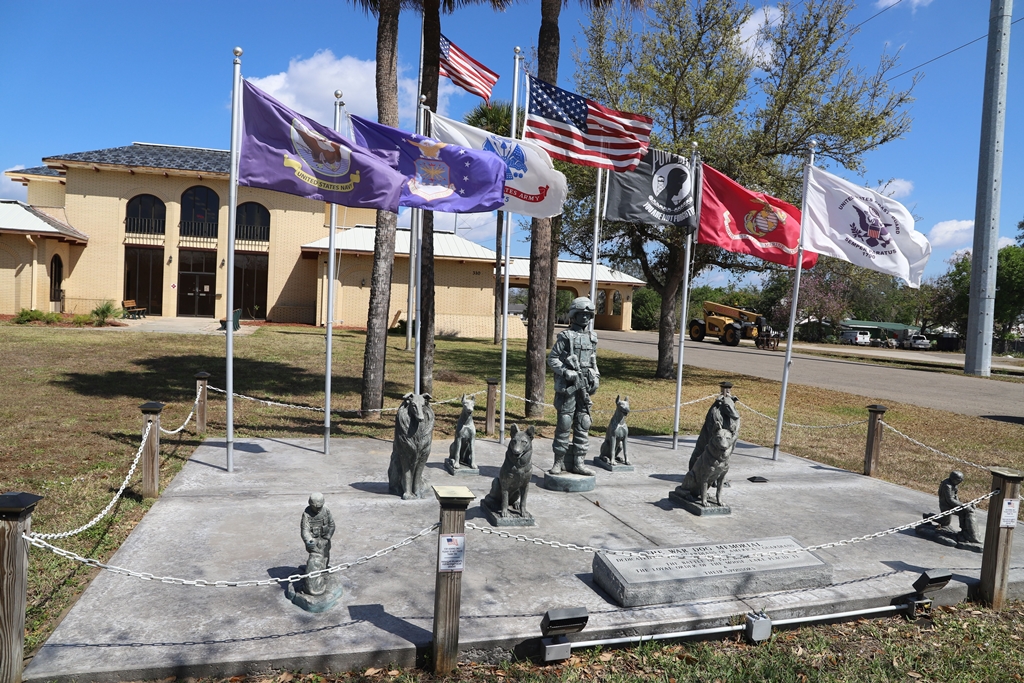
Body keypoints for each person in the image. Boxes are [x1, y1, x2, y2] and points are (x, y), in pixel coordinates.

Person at [548, 297, 600, 476]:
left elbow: (593, 361)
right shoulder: (565, 336)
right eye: (581, 314)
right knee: (564, 423)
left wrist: (596, 376)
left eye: (588, 314)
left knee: (583, 423)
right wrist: (564, 372)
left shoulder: (593, 337)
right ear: (574, 315)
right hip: (569, 385)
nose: (584, 318)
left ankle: (579, 462)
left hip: (585, 384)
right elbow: (552, 359)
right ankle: (558, 462)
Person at [300, 492, 336, 595]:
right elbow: (305, 530)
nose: (318, 509)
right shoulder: (306, 513)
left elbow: (332, 525)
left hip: (324, 539)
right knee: (315, 559)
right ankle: (312, 579)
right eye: (316, 507)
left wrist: (328, 537)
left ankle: (323, 572)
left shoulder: (326, 511)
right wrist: (308, 540)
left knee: (325, 556)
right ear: (310, 504)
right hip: (314, 541)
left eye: (320, 507)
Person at [938, 471, 980, 544]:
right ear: (953, 478)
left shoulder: (953, 484)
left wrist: (965, 505)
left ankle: (965, 532)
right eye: (959, 480)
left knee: (946, 521)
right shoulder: (947, 485)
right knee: (964, 512)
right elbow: (950, 500)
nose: (960, 482)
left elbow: (956, 497)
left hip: (952, 504)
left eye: (961, 480)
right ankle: (969, 534)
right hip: (947, 506)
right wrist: (963, 506)